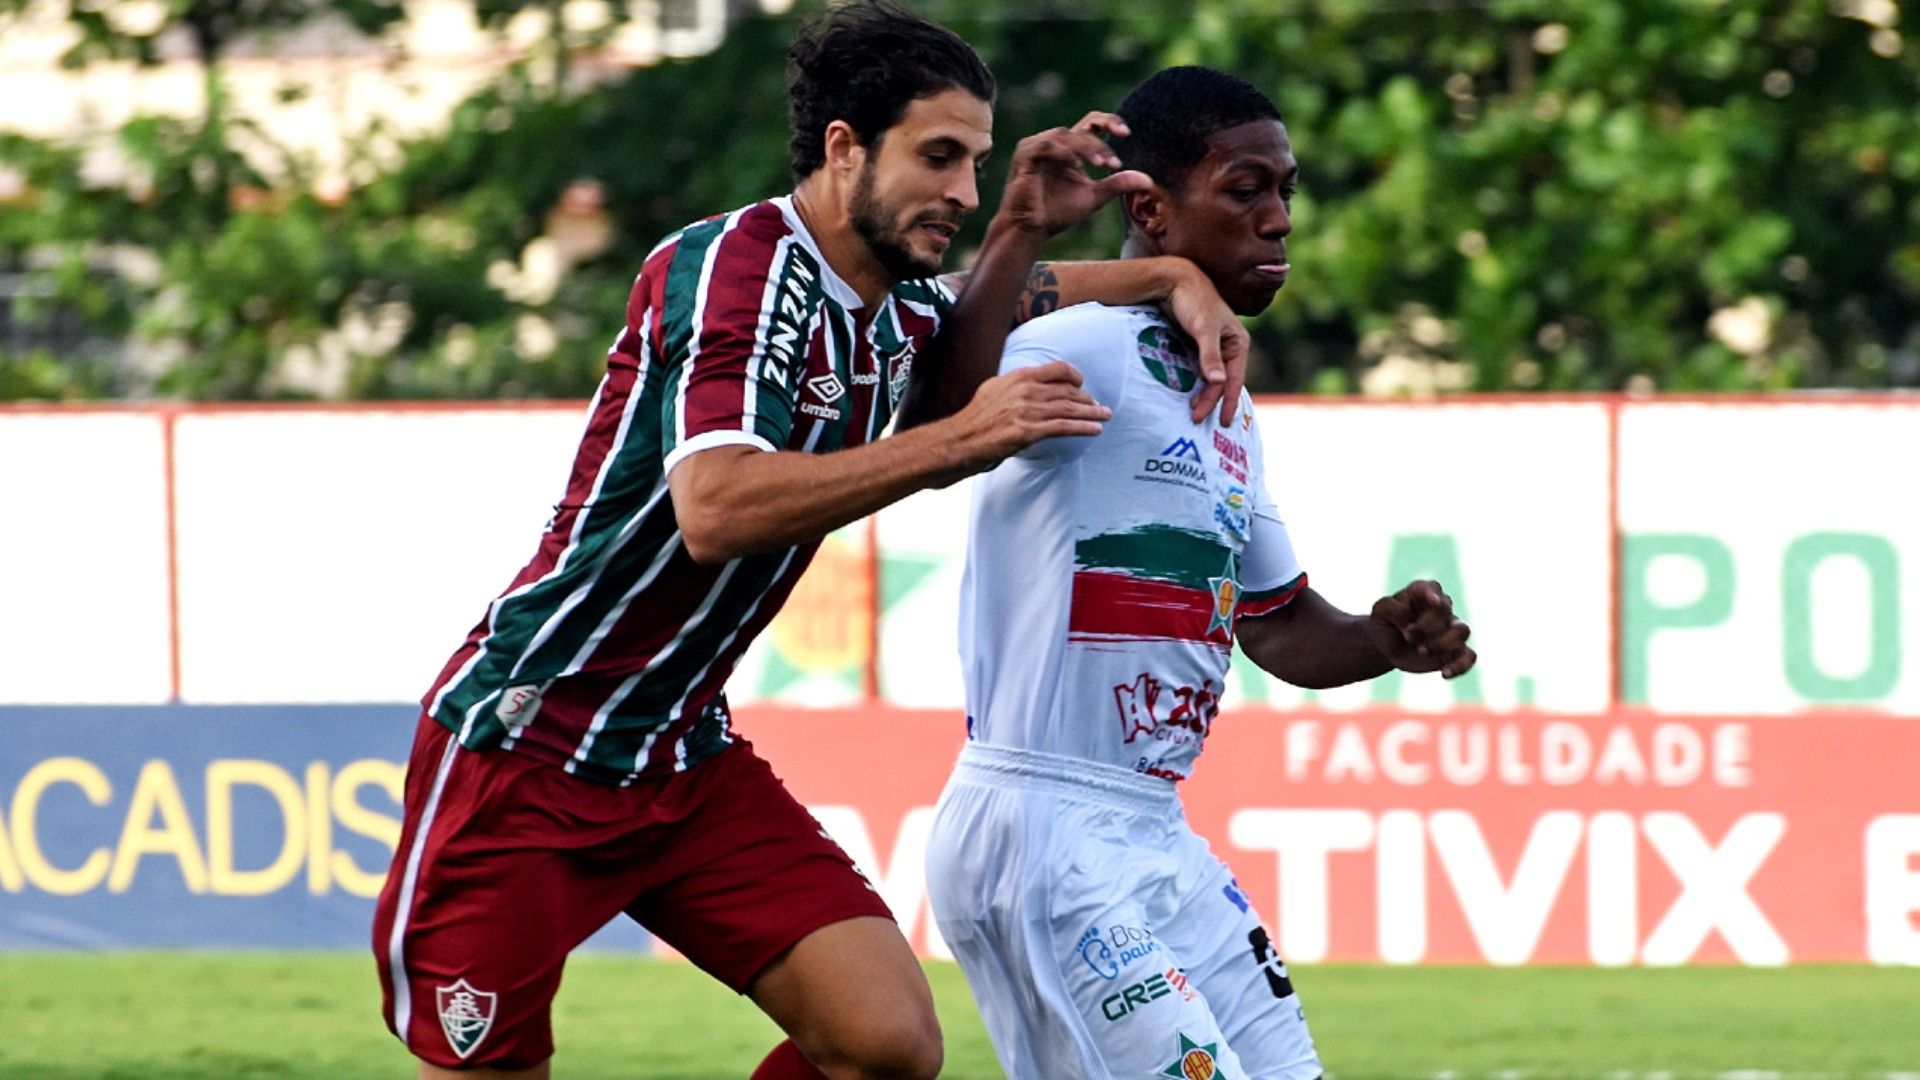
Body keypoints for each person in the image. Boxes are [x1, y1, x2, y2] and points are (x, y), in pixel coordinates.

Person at [371, 5, 1254, 1078]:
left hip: (681, 757)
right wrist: (961, 440)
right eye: (939, 158)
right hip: (528, 749)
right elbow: (718, 509)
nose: (963, 193)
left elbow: (999, 305)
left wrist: (1161, 274)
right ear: (844, 147)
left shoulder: (886, 301)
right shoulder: (736, 270)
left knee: (884, 1043)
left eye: (977, 163)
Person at [924, 66, 1479, 1080]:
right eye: (1245, 190)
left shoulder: (1226, 401)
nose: (1279, 221)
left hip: (1153, 832)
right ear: (1151, 209)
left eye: (1287, 193)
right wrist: (1030, 239)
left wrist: (1379, 638)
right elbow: (933, 375)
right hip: (1046, 829)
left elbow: (1276, 625)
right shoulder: (1079, 343)